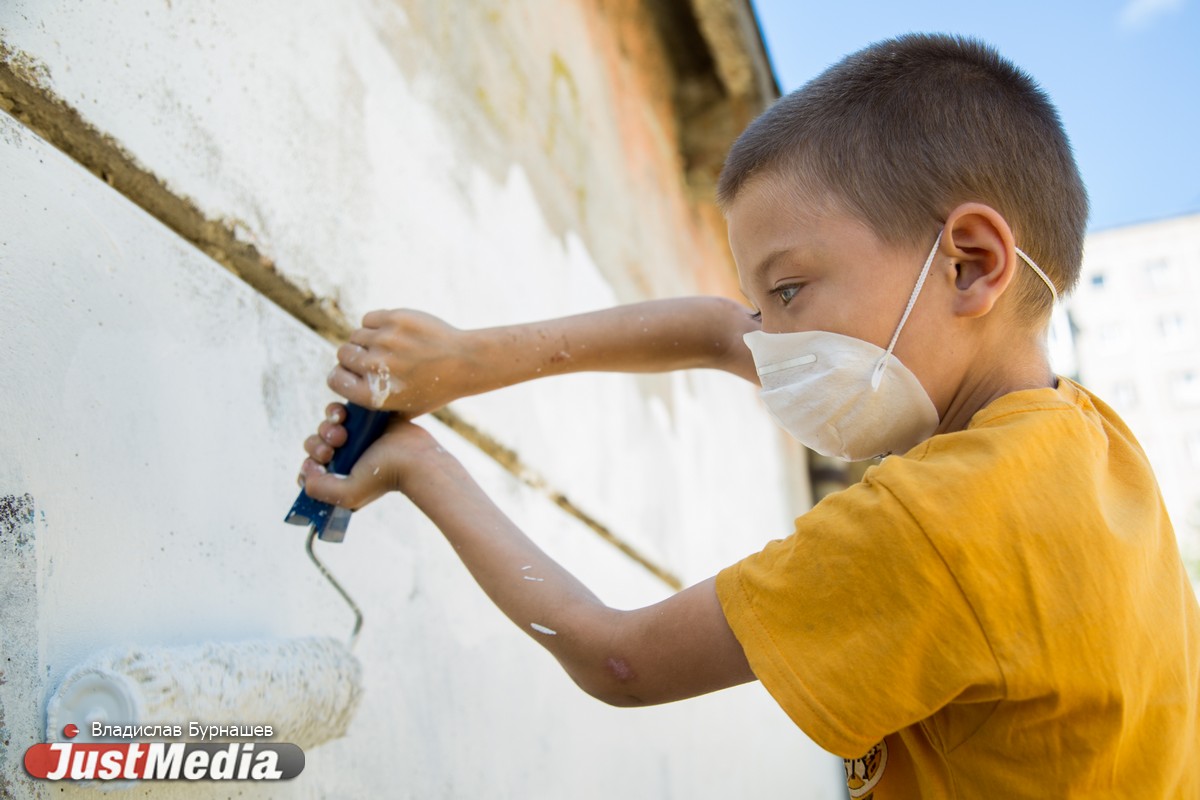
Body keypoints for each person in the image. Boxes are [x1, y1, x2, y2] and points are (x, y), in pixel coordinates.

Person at [297, 33, 1200, 798]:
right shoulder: (1083, 442)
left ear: (968, 263)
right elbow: (712, 329)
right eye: (764, 304)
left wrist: (419, 464)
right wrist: (466, 360)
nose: (768, 340)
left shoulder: (949, 522)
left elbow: (623, 660)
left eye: (792, 289)